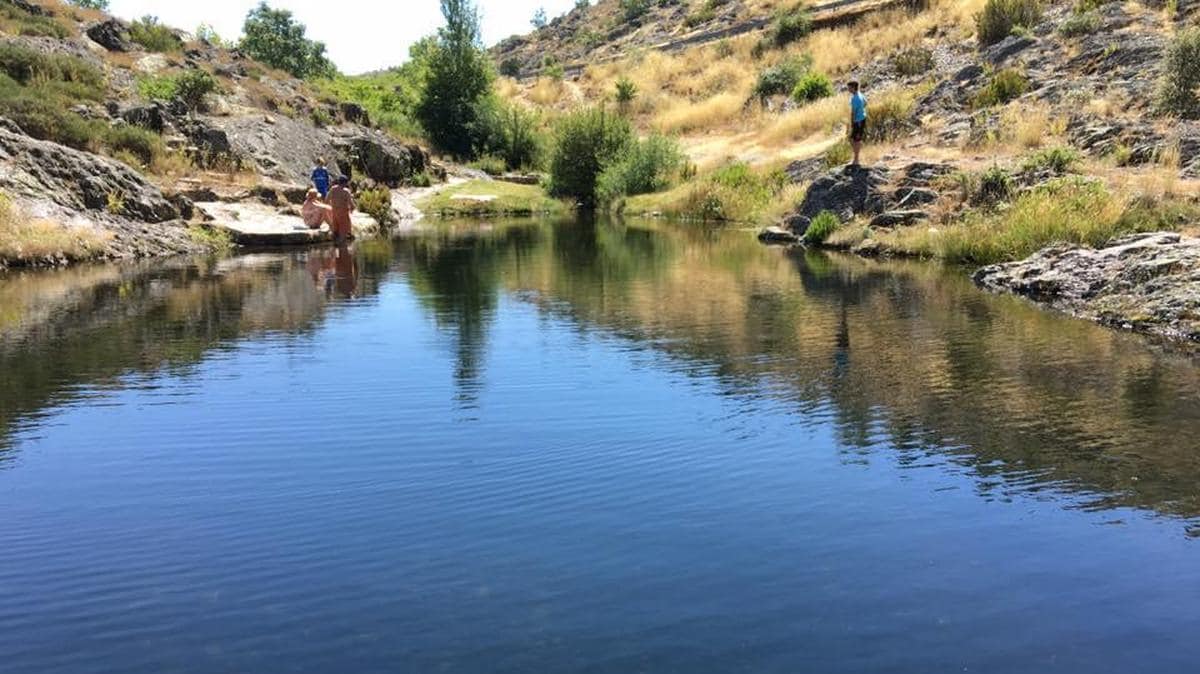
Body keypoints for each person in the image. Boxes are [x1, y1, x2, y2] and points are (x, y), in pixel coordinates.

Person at [327, 175, 355, 243]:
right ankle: (342, 246)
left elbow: (327, 199)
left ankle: (335, 245)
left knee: (335, 230)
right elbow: (351, 203)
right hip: (343, 213)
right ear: (345, 183)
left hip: (334, 212)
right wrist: (352, 208)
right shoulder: (346, 191)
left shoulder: (333, 189)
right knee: (343, 231)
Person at [848, 81, 868, 167]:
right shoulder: (860, 94)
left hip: (858, 121)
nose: (848, 89)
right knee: (854, 139)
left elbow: (853, 112)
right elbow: (866, 103)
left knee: (855, 140)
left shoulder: (855, 98)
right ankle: (856, 158)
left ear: (853, 87)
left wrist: (852, 122)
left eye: (849, 87)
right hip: (862, 119)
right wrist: (862, 110)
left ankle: (856, 160)